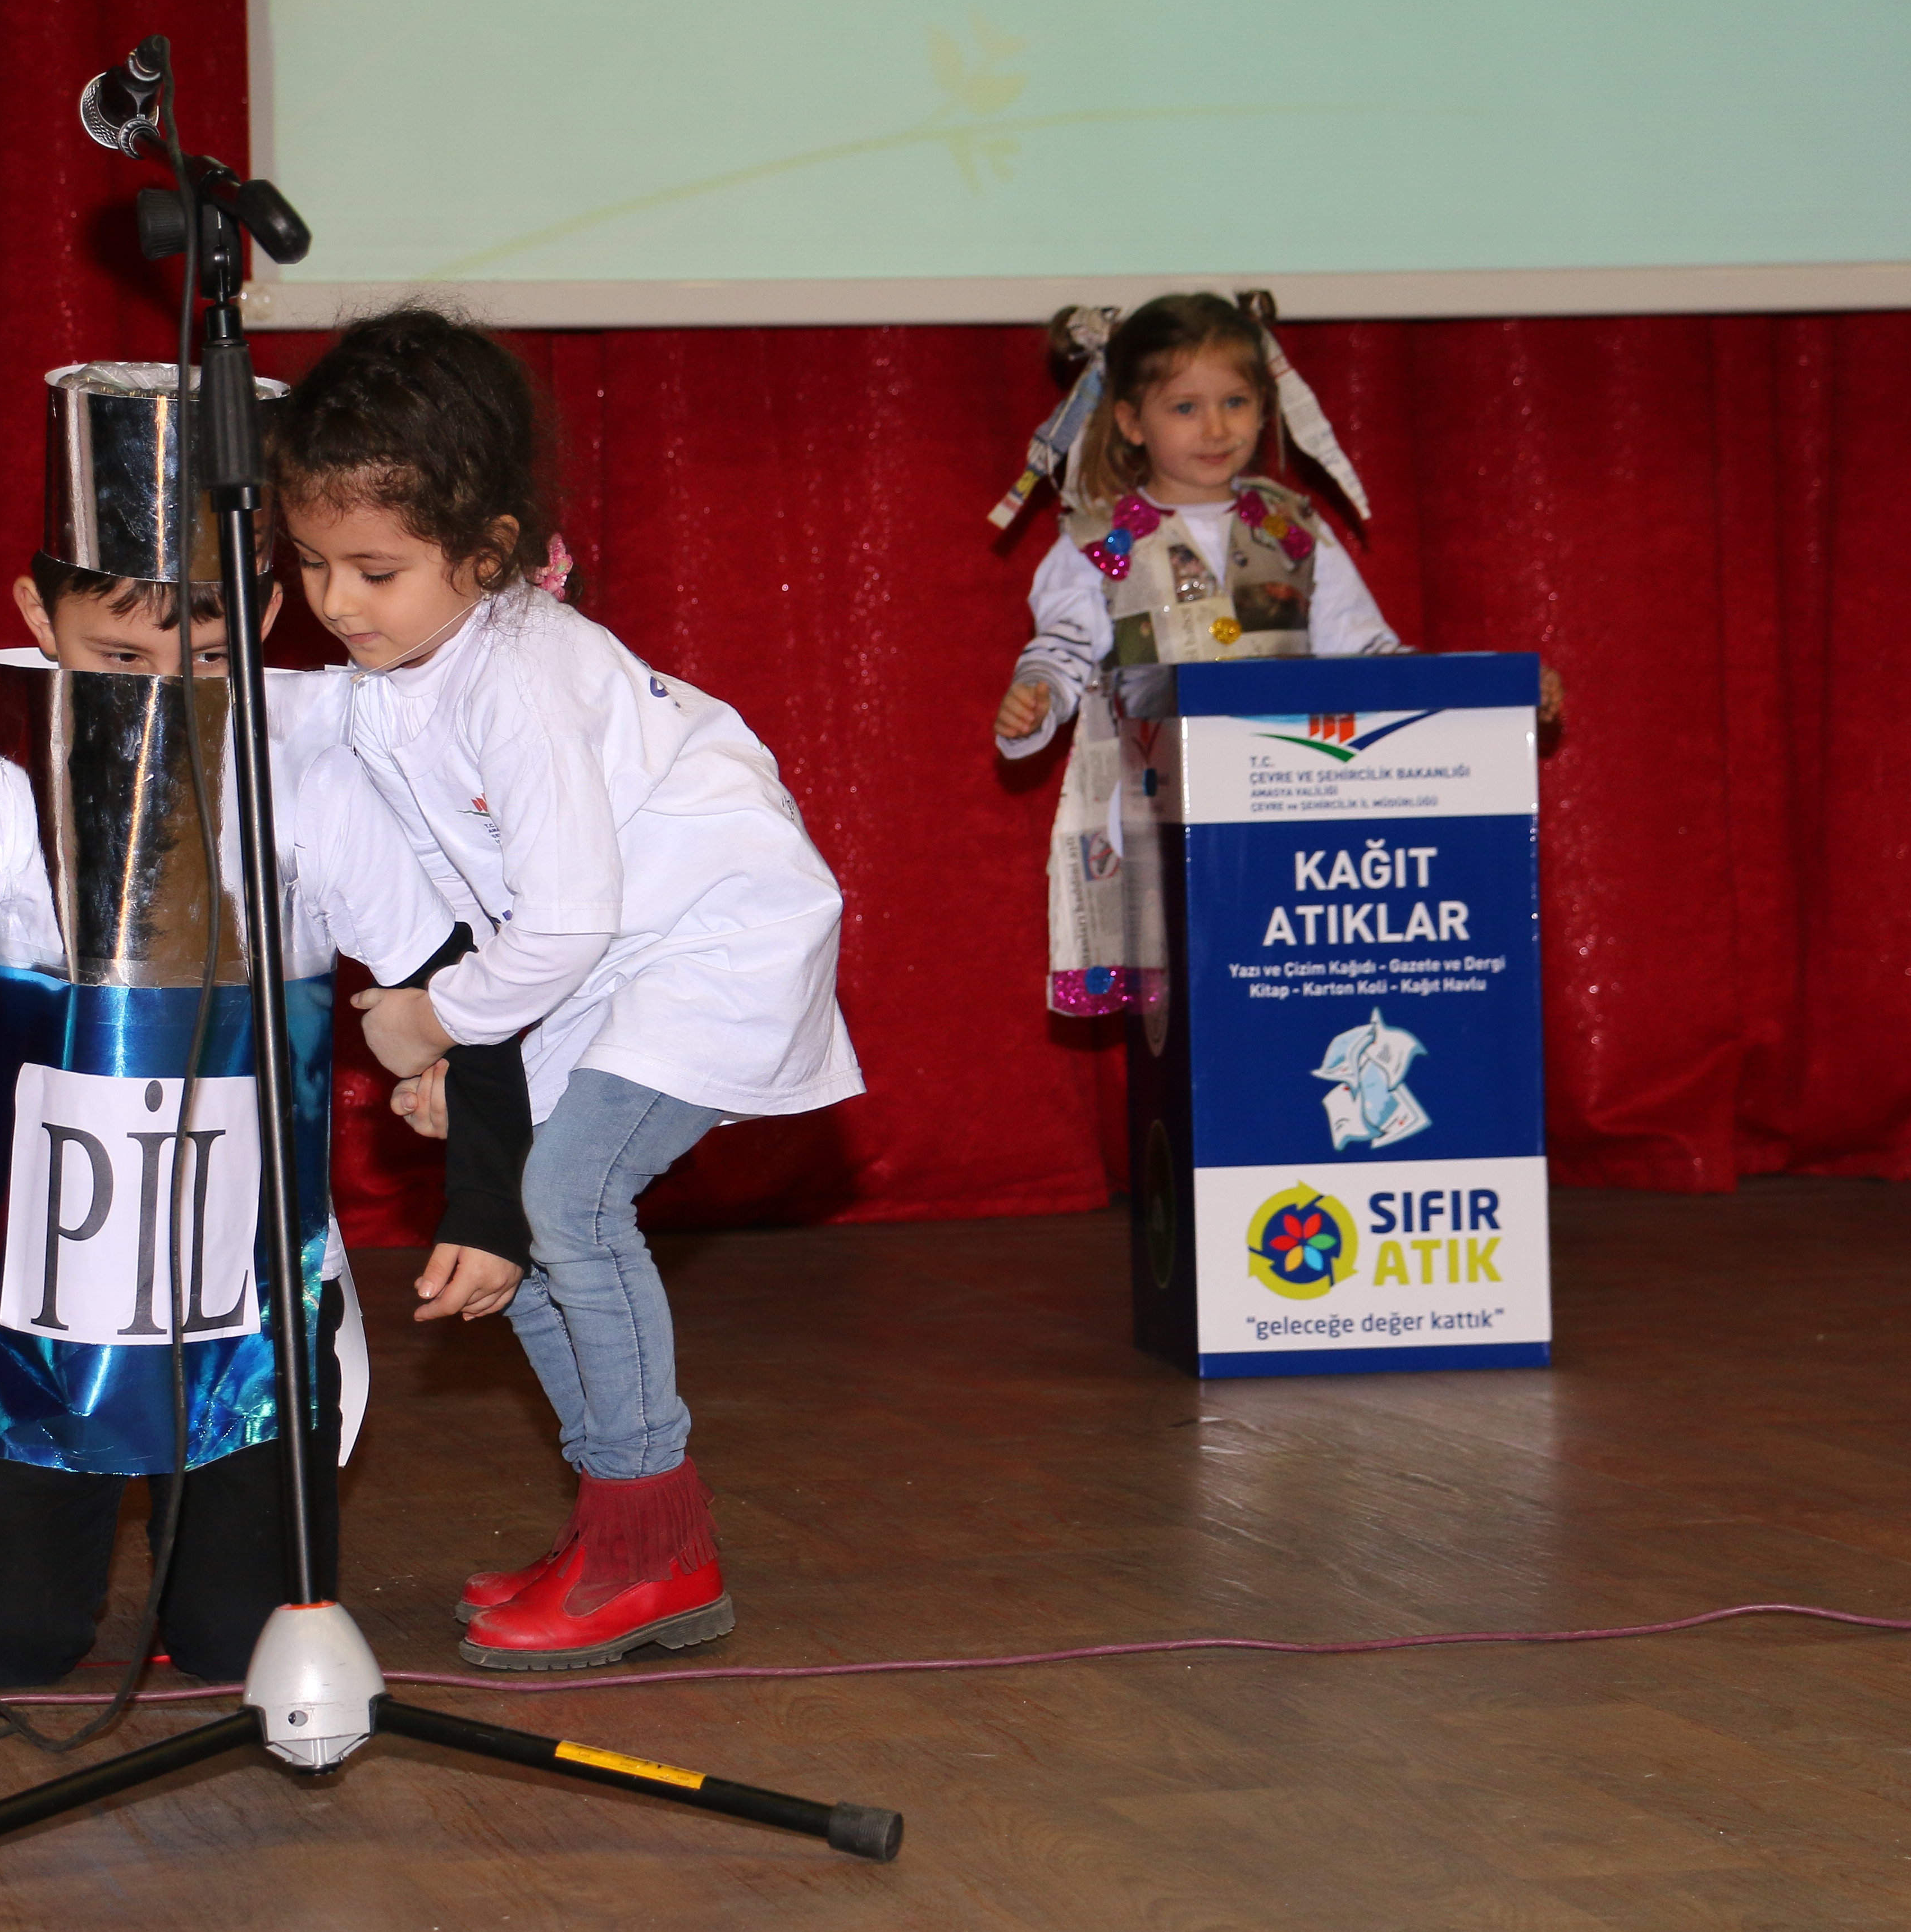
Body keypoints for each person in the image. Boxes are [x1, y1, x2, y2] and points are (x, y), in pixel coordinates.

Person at [0, 361, 530, 1687]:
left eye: (209, 653)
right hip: (51, 1322)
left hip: (256, 1314)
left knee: (246, 1646)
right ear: (34, 613)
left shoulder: (306, 780)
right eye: (118, 659)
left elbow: (470, 983)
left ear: (271, 607)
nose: (162, 697)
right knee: (2, 1647)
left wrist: (485, 1198)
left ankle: (218, 1523)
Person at [267, 307, 863, 1673]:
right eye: (309, 565)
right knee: (526, 1226)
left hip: (709, 944)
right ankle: (625, 1530)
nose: (338, 603)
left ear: (483, 552)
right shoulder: (416, 661)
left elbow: (567, 921)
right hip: (605, 960)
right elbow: (325, 732)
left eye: (373, 569)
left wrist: (429, 1022)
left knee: (563, 1202)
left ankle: (652, 1541)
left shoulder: (521, 680)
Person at [992, 293, 1561, 1015]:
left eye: (1236, 401)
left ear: (1266, 406)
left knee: (1286, 988)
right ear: (1132, 421)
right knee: (1196, 1003)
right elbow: (1065, 651)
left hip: (1292, 805)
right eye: (1186, 408)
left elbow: (1367, 651)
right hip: (1161, 813)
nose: (1218, 426)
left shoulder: (1294, 529)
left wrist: (1495, 696)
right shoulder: (1095, 544)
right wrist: (1037, 693)